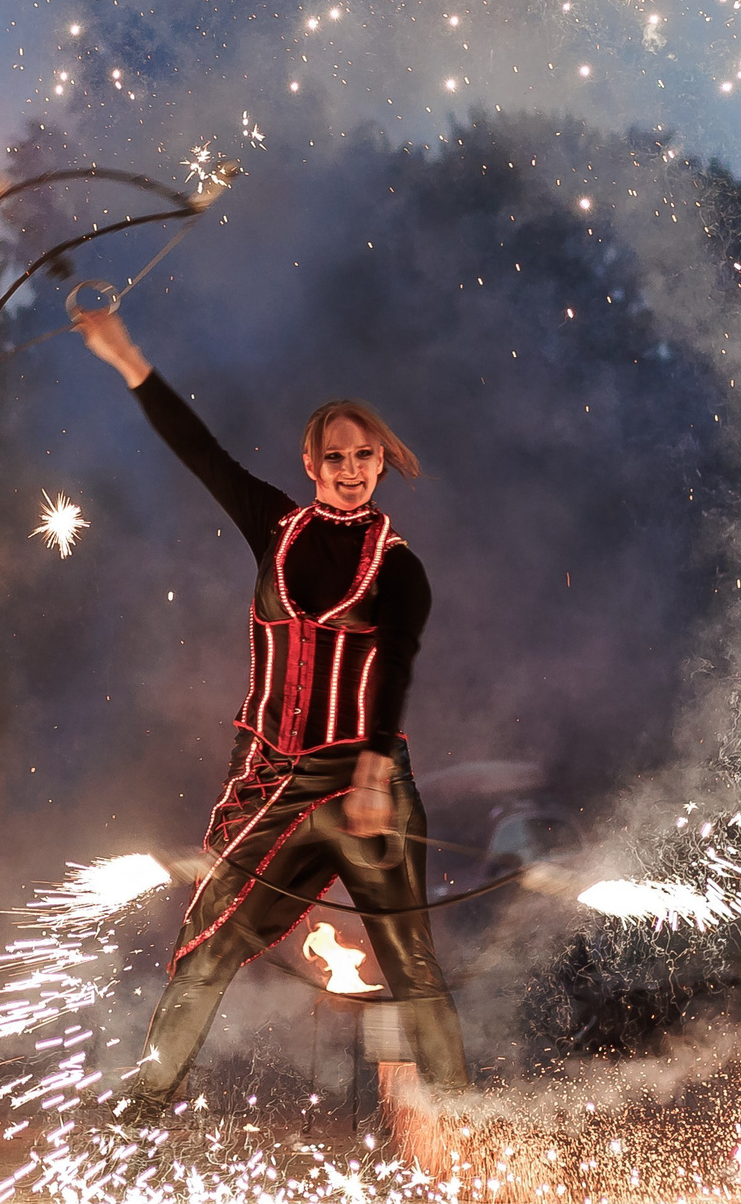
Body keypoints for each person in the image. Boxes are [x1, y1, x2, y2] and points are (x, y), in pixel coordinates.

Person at [72, 308, 468, 1118]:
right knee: (206, 949)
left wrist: (374, 770)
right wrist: (126, 356)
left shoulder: (400, 569)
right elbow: (198, 450)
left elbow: (395, 667)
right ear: (310, 462)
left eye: (366, 456)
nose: (352, 470)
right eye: (336, 457)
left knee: (410, 962)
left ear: (382, 462)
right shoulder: (275, 528)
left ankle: (468, 1121)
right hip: (271, 784)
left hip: (365, 782)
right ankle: (140, 1111)